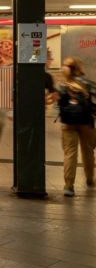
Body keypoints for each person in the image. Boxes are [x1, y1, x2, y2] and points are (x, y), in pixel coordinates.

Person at [57, 57, 94, 197]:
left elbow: (59, 105)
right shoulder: (87, 83)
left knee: (70, 153)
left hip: (68, 123)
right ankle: (90, 178)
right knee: (88, 151)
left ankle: (68, 186)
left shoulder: (62, 85)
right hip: (85, 122)